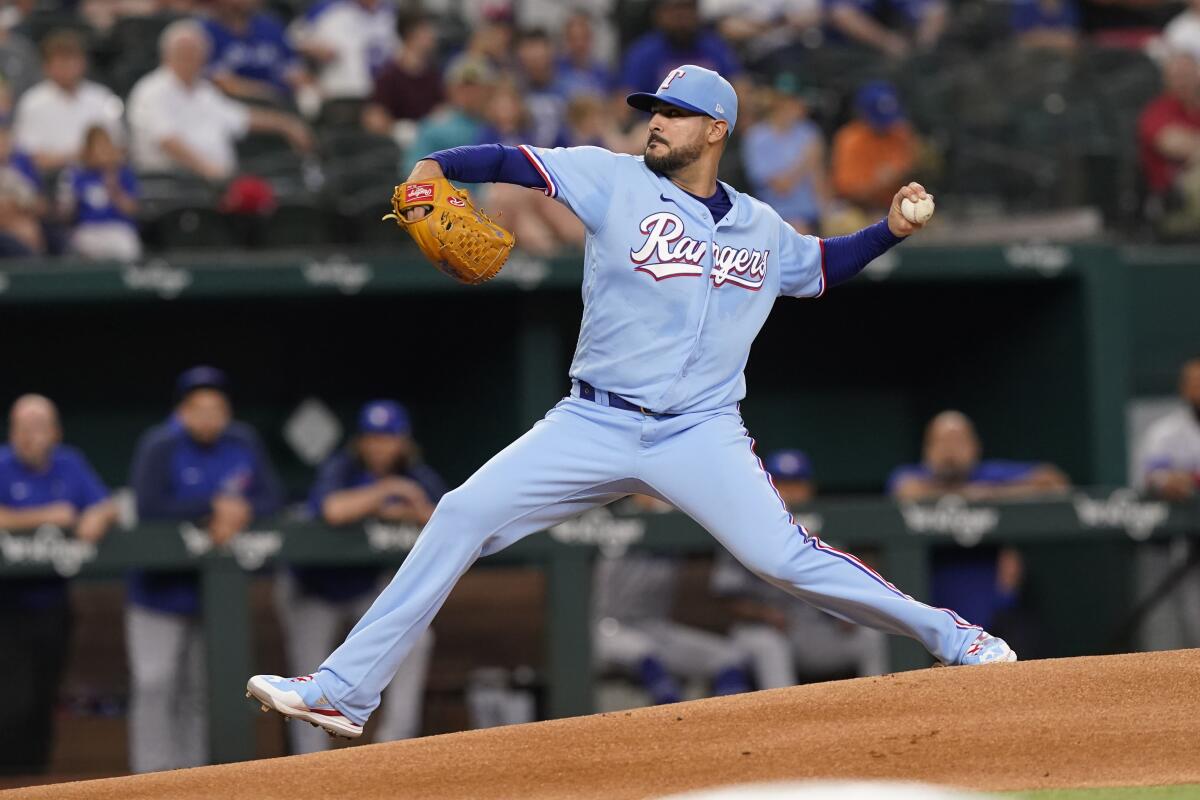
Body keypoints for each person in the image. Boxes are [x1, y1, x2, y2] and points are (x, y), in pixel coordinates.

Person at [248, 63, 1016, 740]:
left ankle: (956, 640)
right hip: (593, 419)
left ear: (715, 130)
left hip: (700, 432)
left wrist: (888, 229)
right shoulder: (611, 177)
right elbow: (513, 161)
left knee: (783, 558)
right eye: (653, 108)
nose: (656, 120)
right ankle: (343, 692)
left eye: (673, 113)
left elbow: (820, 266)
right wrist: (432, 164)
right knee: (460, 513)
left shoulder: (759, 225)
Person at [129, 366, 284, 772]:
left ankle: (193, 777)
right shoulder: (160, 445)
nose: (208, 416)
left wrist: (239, 511)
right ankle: (150, 778)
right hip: (158, 594)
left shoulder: (242, 441)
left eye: (216, 407)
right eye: (198, 408)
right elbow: (148, 508)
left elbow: (273, 498)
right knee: (156, 685)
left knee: (204, 691)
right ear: (182, 411)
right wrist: (211, 507)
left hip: (217, 597)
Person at [280, 400, 443, 753]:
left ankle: (396, 741)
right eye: (372, 437)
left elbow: (446, 517)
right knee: (310, 673)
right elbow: (332, 509)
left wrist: (413, 508)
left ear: (403, 441)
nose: (379, 446)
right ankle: (307, 761)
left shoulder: (416, 475)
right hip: (314, 587)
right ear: (361, 441)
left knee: (415, 639)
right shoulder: (342, 466)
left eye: (387, 438)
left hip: (365, 588)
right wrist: (385, 492)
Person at [0, 395, 117, 776]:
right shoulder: (2, 464)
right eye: (23, 428)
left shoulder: (70, 462)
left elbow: (106, 504)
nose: (31, 436)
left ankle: (34, 781)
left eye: (39, 427)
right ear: (11, 433)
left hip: (52, 602)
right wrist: (45, 516)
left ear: (56, 432)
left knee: (42, 696)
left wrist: (97, 514)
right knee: (11, 699)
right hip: (6, 603)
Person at [888, 411, 1069, 654]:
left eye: (959, 441)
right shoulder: (913, 476)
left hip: (993, 616)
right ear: (927, 449)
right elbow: (905, 491)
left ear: (975, 447)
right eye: (942, 442)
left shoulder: (988, 476)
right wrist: (967, 496)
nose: (950, 450)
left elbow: (1053, 482)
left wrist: (991, 495)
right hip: (929, 614)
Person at [711, 449, 888, 686]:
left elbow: (846, 580)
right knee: (770, 646)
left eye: (797, 484)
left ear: (810, 489)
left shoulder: (824, 528)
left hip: (809, 631)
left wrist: (847, 610)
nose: (791, 493)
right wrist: (764, 615)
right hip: (758, 632)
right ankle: (785, 720)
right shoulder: (743, 527)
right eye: (783, 484)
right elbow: (725, 598)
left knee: (869, 636)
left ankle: (881, 713)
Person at [127, 20, 312, 182]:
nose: (190, 59)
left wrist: (286, 124)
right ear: (167, 54)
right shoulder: (151, 90)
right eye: (184, 53)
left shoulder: (204, 91)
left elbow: (241, 117)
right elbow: (166, 140)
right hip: (173, 183)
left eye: (196, 53)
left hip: (213, 183)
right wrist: (209, 171)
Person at [1134, 356, 1200, 650]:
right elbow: (1155, 477)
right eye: (1194, 383)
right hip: (1174, 539)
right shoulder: (1165, 432)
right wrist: (1171, 480)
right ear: (1184, 389)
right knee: (1172, 623)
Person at [12, 30, 123, 174]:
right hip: (50, 181)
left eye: (72, 60)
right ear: (46, 66)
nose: (67, 67)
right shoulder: (32, 102)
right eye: (61, 61)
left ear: (83, 63)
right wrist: (78, 157)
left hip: (97, 178)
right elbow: (29, 157)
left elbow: (118, 148)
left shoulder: (102, 97)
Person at [741, 73, 826, 234]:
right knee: (798, 230)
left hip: (811, 214)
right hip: (777, 215)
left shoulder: (808, 131)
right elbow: (781, 186)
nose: (800, 106)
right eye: (791, 101)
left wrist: (828, 213)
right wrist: (806, 161)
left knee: (849, 227)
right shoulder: (757, 137)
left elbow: (818, 179)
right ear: (778, 103)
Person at [202, 0, 315, 111]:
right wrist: (269, 94)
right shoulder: (205, 31)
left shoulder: (270, 26)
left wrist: (310, 94)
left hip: (281, 105)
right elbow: (222, 83)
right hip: (232, 108)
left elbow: (294, 70)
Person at [831, 80, 919, 216]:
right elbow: (846, 191)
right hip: (858, 209)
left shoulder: (901, 132)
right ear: (863, 114)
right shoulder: (850, 139)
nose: (886, 125)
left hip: (897, 205)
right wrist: (876, 184)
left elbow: (913, 170)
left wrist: (902, 172)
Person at [620, 0, 741, 95]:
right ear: (659, 14)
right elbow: (626, 97)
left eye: (688, 8)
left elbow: (739, 86)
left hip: (711, 121)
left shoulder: (715, 46)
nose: (682, 16)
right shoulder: (643, 52)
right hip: (657, 121)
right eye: (675, 9)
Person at [58, 125, 142, 261]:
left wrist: (113, 187)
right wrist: (70, 196)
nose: (101, 152)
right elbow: (65, 214)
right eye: (96, 147)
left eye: (104, 146)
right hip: (88, 230)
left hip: (118, 228)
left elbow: (132, 209)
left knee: (126, 246)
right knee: (79, 246)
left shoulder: (122, 172)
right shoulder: (77, 174)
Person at [288, 0, 397, 103]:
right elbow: (294, 37)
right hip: (342, 95)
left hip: (383, 96)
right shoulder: (329, 9)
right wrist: (315, 48)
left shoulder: (392, 13)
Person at [1139, 51, 1200, 235]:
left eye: (1187, 75)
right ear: (1165, 80)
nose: (1183, 81)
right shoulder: (1156, 112)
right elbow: (1174, 145)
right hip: (1172, 198)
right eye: (1176, 76)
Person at [400, 57, 493, 174]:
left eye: (477, 88)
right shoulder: (435, 127)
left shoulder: (502, 123)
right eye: (462, 88)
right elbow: (413, 171)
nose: (470, 94)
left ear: (489, 90)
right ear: (450, 90)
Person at [361, 12, 443, 138]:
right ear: (411, 35)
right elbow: (376, 115)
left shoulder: (433, 73)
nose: (432, 36)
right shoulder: (389, 76)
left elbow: (441, 106)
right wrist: (395, 128)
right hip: (400, 137)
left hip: (430, 133)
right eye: (426, 31)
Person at [826, 0, 947, 59]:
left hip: (894, 56)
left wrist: (925, 43)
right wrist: (887, 41)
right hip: (841, 53)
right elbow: (841, 15)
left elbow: (935, 10)